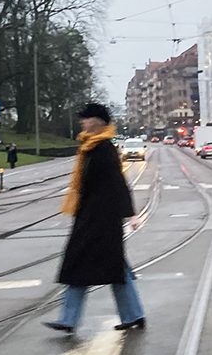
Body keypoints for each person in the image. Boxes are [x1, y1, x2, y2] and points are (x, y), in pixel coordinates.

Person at [44, 103, 145, 333]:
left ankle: (70, 319)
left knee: (94, 268)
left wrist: (130, 213)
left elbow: (118, 183)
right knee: (109, 269)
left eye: (86, 118)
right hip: (91, 217)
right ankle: (132, 314)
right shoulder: (90, 148)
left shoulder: (103, 149)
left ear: (98, 121)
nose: (82, 121)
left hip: (102, 220)